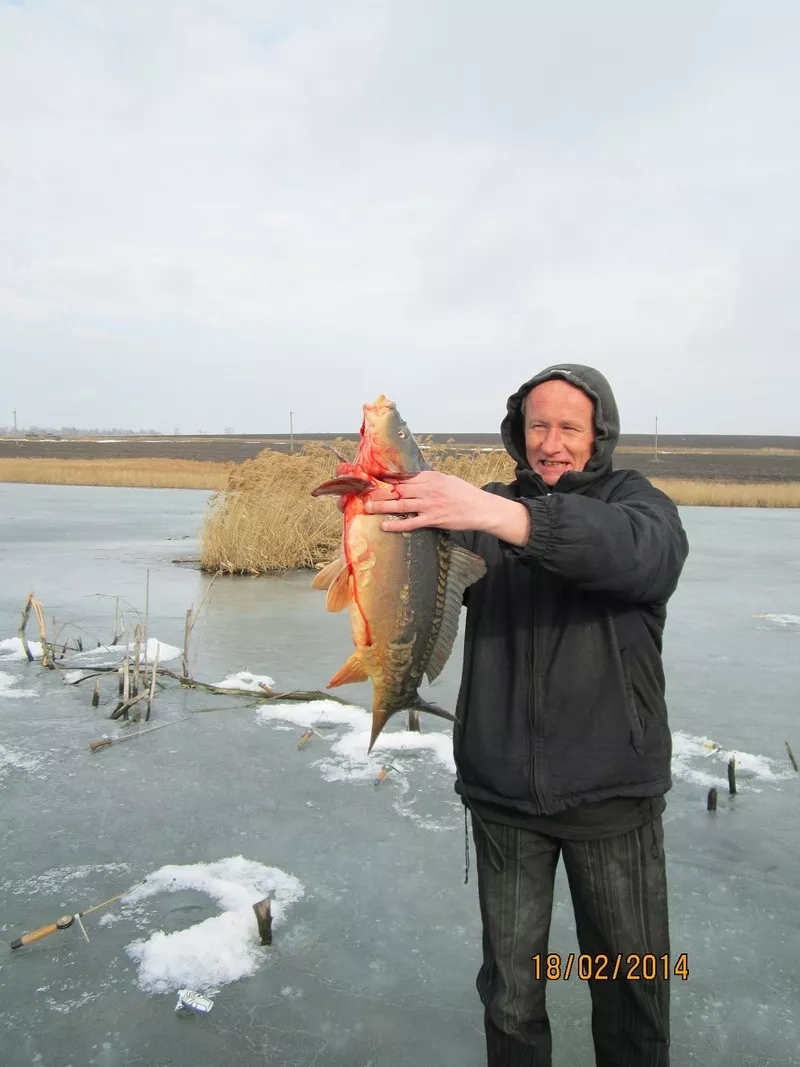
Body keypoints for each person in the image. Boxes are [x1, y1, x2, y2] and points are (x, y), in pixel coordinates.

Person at [362, 364, 689, 1067]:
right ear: (519, 430)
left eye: (569, 426)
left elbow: (640, 558)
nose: (552, 443)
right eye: (538, 425)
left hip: (613, 801)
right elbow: (415, 561)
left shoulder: (639, 506)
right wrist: (383, 500)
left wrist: (501, 515)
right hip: (505, 800)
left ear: (599, 432)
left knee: (631, 995)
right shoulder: (482, 511)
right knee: (511, 1001)